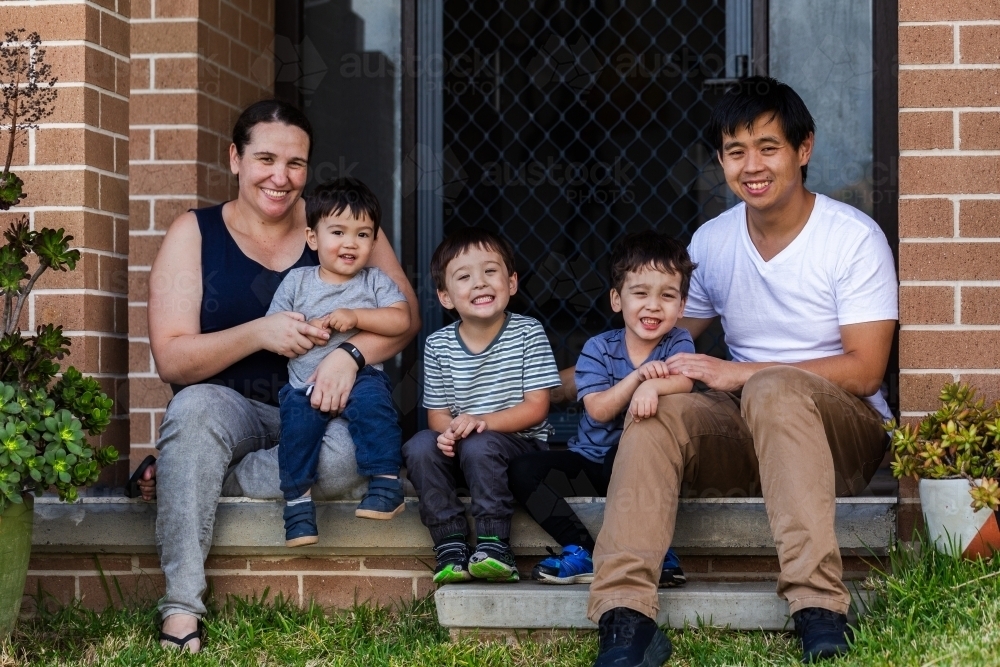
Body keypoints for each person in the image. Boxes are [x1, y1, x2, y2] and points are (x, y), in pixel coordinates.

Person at [587, 77, 897, 667]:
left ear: (803, 149)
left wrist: (741, 371)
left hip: (843, 439)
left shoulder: (852, 239)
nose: (751, 165)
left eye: (767, 147)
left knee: (773, 386)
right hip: (747, 435)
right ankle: (626, 616)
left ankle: (818, 608)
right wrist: (551, 385)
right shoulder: (714, 239)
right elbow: (660, 338)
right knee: (660, 407)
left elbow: (865, 369)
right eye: (735, 151)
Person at [138, 100, 420, 653]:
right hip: (229, 407)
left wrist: (350, 356)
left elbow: (404, 319)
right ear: (235, 158)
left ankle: (209, 474)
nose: (280, 176)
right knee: (191, 412)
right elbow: (172, 360)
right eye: (265, 158)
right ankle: (180, 610)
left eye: (295, 164)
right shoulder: (193, 233)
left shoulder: (342, 225)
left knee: (349, 459)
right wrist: (258, 333)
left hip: (322, 404)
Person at [508, 230, 694, 587]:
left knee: (632, 455)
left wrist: (655, 385)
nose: (653, 305)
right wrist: (639, 378)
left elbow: (684, 381)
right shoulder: (597, 348)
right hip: (590, 463)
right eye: (640, 293)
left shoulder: (678, 340)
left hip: (646, 466)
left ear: (682, 306)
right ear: (616, 299)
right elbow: (598, 410)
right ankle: (581, 550)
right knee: (522, 470)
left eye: (667, 296)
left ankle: (658, 551)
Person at [402, 228, 562, 584]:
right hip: (465, 448)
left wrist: (480, 423)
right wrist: (447, 433)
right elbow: (438, 415)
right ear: (445, 296)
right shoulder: (438, 344)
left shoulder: (527, 333)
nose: (480, 283)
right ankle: (450, 542)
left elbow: (537, 408)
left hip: (519, 450)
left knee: (480, 442)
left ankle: (493, 543)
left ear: (512, 281)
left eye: (490, 271)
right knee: (419, 445)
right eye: (464, 277)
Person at [268, 177, 410, 548]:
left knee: (375, 409)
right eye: (338, 232)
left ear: (374, 241)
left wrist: (357, 315)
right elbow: (275, 333)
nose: (350, 243)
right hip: (304, 384)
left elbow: (401, 320)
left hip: (361, 377)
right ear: (312, 238)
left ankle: (385, 483)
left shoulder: (374, 281)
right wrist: (306, 330)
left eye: (363, 235)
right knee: (297, 433)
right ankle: (298, 508)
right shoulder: (297, 282)